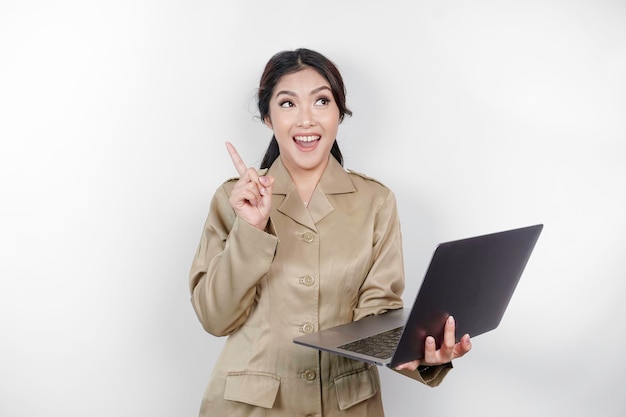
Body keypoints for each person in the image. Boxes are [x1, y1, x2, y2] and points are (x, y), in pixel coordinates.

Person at [189, 48, 472, 417]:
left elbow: (378, 318)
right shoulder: (233, 198)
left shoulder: (376, 201)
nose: (306, 120)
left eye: (321, 101)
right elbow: (215, 317)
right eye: (288, 104)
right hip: (252, 407)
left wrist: (423, 355)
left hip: (348, 405)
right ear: (267, 118)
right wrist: (251, 228)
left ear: (339, 112)